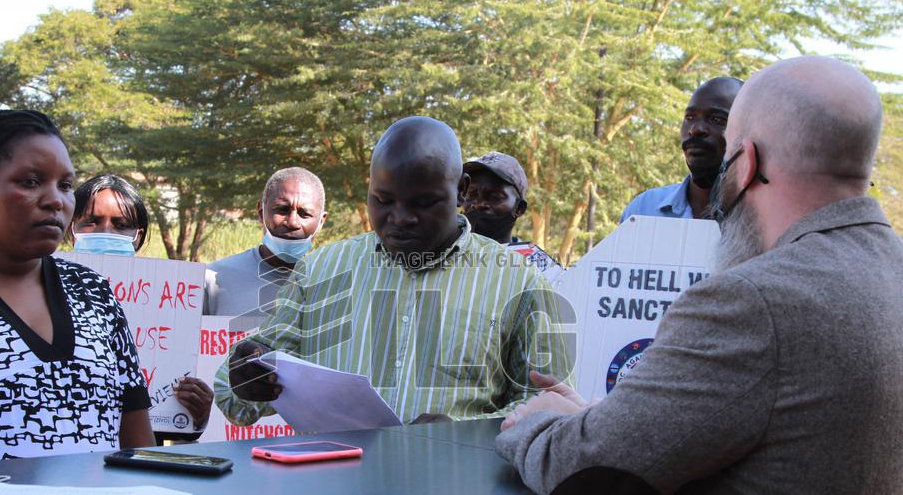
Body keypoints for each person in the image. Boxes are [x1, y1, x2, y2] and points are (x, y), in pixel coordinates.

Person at [496, 56, 903, 495]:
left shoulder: (753, 301)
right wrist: (604, 417)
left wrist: (537, 426)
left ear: (747, 162)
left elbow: (592, 473)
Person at [216, 116, 571, 427]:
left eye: (423, 202)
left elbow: (554, 408)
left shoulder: (519, 282)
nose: (400, 218)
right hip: (333, 494)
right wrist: (245, 378)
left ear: (461, 190)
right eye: (383, 201)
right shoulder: (321, 270)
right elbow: (237, 397)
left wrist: (464, 432)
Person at [0, 110, 155, 467]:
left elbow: (137, 440)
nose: (56, 201)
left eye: (65, 186)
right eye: (31, 181)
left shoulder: (93, 292)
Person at [71, 174, 213, 432]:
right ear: (71, 228)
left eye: (120, 224)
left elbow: (174, 428)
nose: (106, 232)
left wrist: (197, 416)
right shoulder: (39, 289)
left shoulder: (175, 300)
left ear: (138, 235)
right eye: (91, 221)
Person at [203, 167, 327, 321]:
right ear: (261, 212)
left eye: (304, 214)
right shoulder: (212, 279)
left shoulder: (333, 286)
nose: (293, 222)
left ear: (321, 221)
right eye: (282, 210)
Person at [620, 76, 743, 222]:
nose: (695, 129)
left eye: (716, 120)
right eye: (690, 118)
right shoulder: (643, 210)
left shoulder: (766, 220)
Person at [461, 151, 562, 282]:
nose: (478, 204)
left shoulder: (539, 268)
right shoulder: (441, 256)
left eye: (495, 197)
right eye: (471, 195)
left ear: (519, 208)